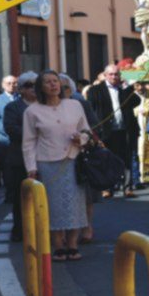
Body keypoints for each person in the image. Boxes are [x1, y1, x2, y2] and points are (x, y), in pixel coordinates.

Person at [23, 70, 90, 261]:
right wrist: (31, 168)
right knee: (52, 204)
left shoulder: (74, 105)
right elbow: (28, 142)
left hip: (73, 159)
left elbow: (86, 129)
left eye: (56, 81)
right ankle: (58, 245)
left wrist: (82, 138)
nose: (53, 85)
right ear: (40, 88)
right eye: (48, 82)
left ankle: (73, 244)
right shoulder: (32, 111)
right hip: (48, 162)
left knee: (75, 202)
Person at [86, 64, 141, 198]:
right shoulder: (95, 90)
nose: (114, 77)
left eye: (116, 74)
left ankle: (128, 187)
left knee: (127, 159)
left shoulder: (124, 90)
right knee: (106, 159)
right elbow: (91, 107)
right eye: (111, 74)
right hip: (106, 131)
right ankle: (107, 188)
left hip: (124, 130)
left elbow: (136, 101)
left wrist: (127, 88)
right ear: (105, 75)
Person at [59, 73, 99, 243]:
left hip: (81, 154)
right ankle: (63, 231)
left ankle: (87, 226)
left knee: (85, 194)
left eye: (65, 87)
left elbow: (93, 127)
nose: (60, 91)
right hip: (57, 156)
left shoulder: (80, 104)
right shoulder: (42, 107)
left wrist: (83, 138)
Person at [3, 71, 38, 242]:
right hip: (19, 158)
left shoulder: (46, 105)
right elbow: (11, 129)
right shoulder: (13, 107)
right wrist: (35, 135)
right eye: (29, 86)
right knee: (21, 196)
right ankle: (20, 230)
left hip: (44, 156)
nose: (33, 89)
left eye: (36, 85)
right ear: (22, 89)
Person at [0, 75, 19, 189]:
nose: (12, 86)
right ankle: (10, 192)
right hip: (5, 139)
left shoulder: (21, 98)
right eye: (9, 83)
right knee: (7, 166)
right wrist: (9, 132)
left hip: (22, 138)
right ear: (3, 85)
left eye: (14, 83)